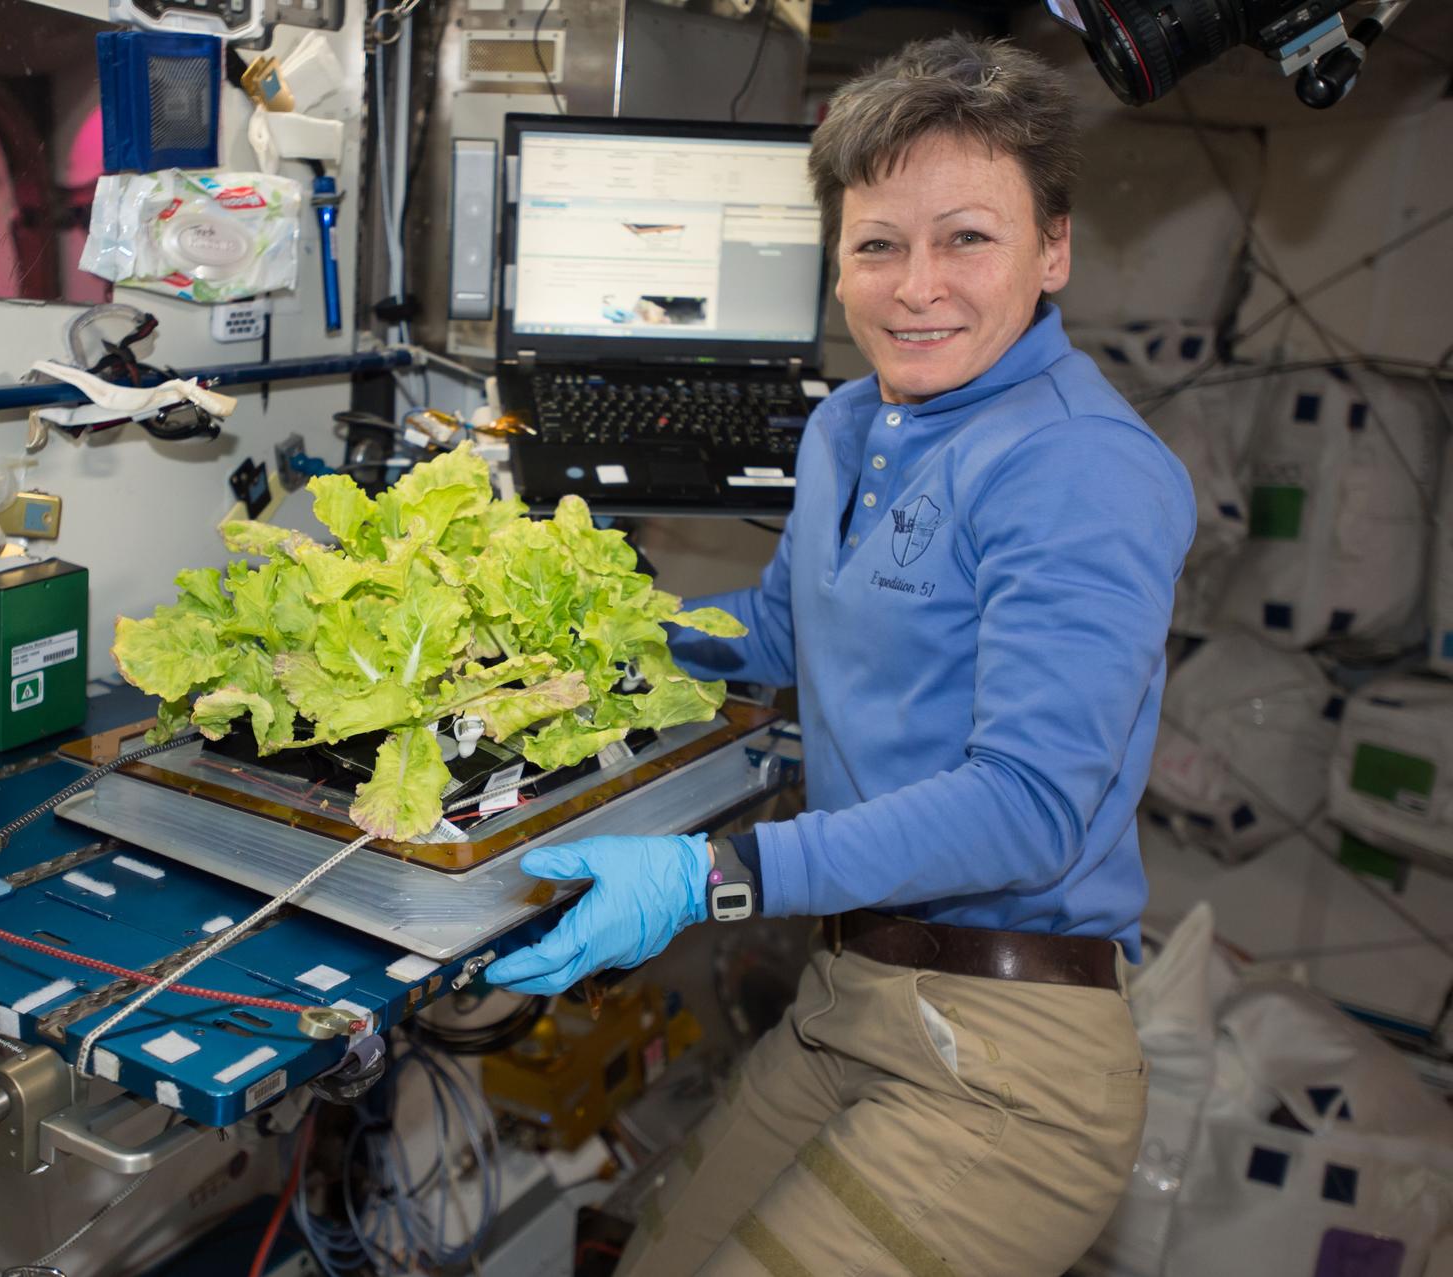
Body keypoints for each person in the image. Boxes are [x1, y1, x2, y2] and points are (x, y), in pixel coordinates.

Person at [485, 33, 1196, 1277]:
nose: (916, 284)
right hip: (850, 997)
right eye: (878, 244)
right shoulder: (853, 422)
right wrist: (577, 632)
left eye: (967, 237)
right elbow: (777, 630)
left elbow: (1028, 807)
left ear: (1055, 249)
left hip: (1010, 1065)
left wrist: (711, 874)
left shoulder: (1080, 467)